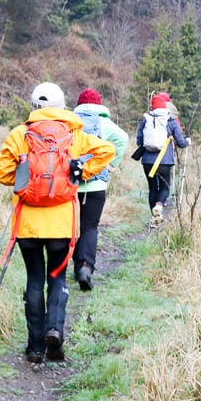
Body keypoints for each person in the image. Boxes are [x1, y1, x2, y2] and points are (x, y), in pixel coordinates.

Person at [0, 82, 115, 364]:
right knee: (57, 277)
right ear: (62, 106)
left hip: (28, 224)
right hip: (62, 223)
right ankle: (55, 333)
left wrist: (24, 177)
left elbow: (1, 174)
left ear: (34, 106)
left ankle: (35, 348)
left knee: (34, 279)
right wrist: (81, 171)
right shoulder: (75, 135)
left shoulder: (19, 135)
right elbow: (107, 151)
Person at [71, 87, 128, 291]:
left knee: (72, 227)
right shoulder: (104, 123)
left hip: (71, 183)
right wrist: (112, 163)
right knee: (90, 226)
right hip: (96, 184)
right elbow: (122, 139)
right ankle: (85, 267)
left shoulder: (70, 121)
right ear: (99, 104)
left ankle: (70, 266)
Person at [136, 92, 188, 226]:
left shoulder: (146, 119)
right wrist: (187, 142)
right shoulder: (170, 120)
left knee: (152, 188)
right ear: (165, 106)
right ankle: (159, 206)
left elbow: (139, 141)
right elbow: (181, 143)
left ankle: (154, 220)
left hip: (147, 160)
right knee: (165, 187)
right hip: (165, 160)